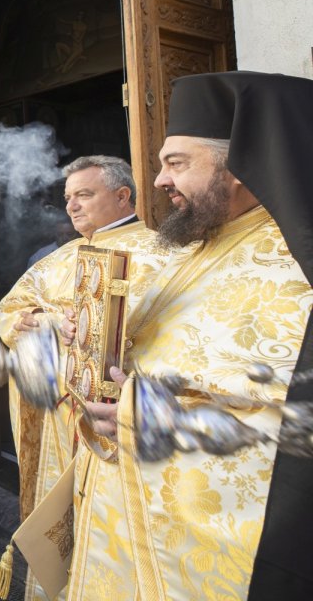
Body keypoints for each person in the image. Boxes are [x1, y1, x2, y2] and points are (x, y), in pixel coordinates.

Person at [66, 72, 313, 599]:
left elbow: (292, 429)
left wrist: (136, 412)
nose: (159, 181)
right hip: (128, 526)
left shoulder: (294, 265)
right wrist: (91, 335)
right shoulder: (195, 244)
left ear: (242, 164)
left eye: (176, 163)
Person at [0, 157, 169, 598]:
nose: (71, 206)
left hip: (114, 424)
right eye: (68, 198)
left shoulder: (162, 253)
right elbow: (10, 310)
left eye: (84, 195)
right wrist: (37, 319)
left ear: (122, 195)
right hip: (57, 421)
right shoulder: (58, 259)